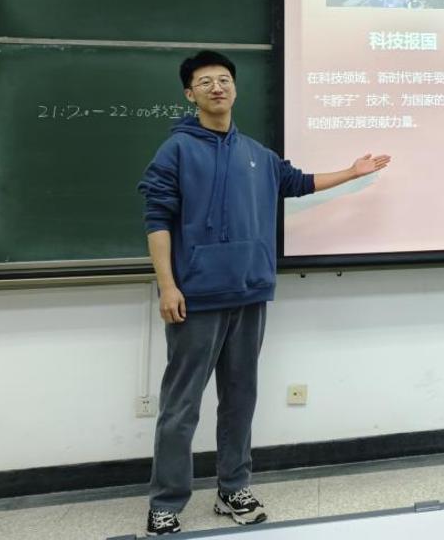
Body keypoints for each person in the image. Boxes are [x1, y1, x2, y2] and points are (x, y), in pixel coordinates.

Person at [137, 50, 390, 536]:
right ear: (190, 94)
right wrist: (167, 286)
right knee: (181, 406)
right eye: (205, 82)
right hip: (196, 298)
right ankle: (165, 503)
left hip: (250, 293)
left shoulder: (256, 153)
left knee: (240, 400)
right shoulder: (176, 151)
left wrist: (351, 171)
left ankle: (233, 488)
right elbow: (156, 221)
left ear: (235, 89)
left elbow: (297, 183)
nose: (217, 87)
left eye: (224, 79)